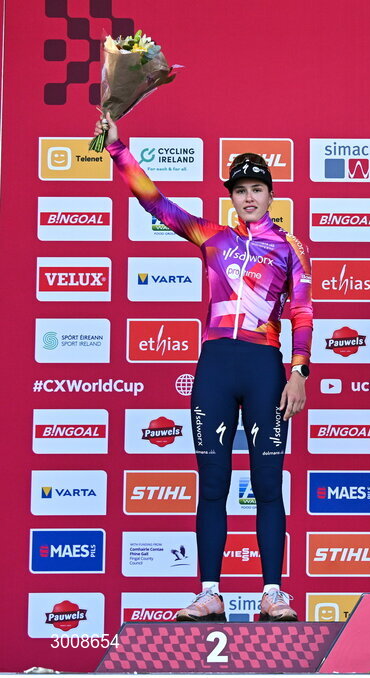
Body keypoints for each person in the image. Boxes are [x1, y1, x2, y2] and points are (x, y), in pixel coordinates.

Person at [96, 113, 313, 622]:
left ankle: (273, 592)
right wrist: (118, 149)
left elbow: (302, 311)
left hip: (265, 366)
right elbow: (156, 203)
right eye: (241, 190)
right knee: (212, 483)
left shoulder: (289, 248)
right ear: (232, 197)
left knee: (266, 482)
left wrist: (299, 371)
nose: (249, 197)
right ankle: (209, 592)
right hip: (215, 364)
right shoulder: (211, 236)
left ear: (270, 194)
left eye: (257, 188)